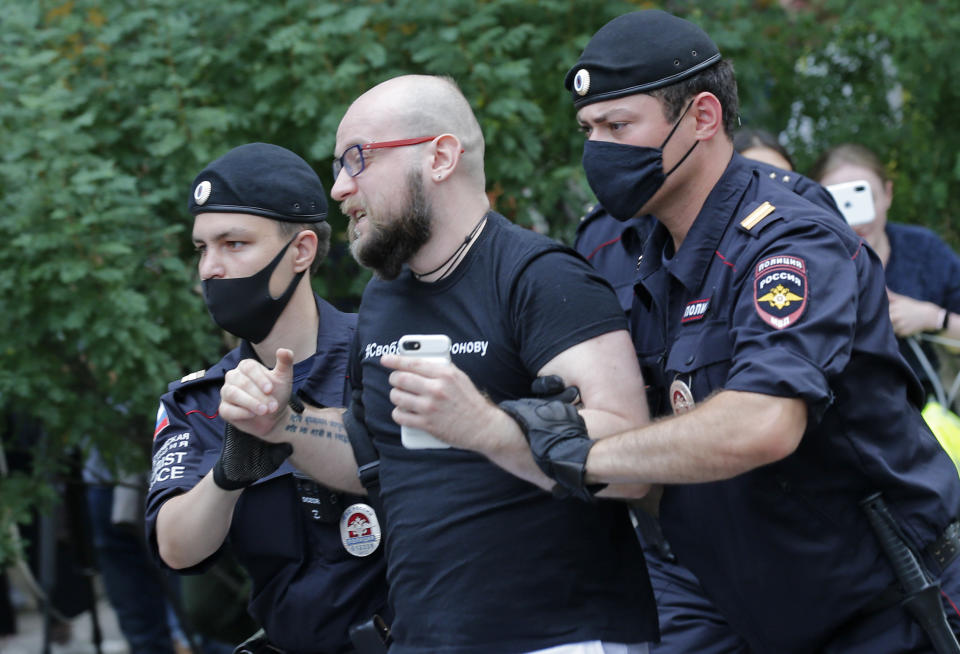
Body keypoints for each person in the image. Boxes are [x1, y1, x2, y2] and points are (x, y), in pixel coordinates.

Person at [487, 10, 960, 653]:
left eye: (618, 126)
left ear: (703, 117)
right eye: (588, 129)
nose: (597, 148)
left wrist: (582, 456)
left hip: (879, 606)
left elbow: (760, 423)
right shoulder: (612, 243)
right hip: (713, 592)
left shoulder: (789, 240)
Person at [218, 75, 658, 654]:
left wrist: (486, 427)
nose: (340, 188)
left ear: (441, 156)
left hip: (558, 638)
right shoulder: (385, 297)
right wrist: (282, 424)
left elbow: (632, 461)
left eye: (357, 159)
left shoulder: (541, 277)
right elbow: (375, 457)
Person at [145, 143, 389, 654]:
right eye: (201, 248)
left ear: (300, 250)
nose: (211, 267)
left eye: (234, 244)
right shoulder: (204, 399)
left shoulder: (379, 353)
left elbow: (419, 470)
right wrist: (227, 476)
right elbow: (177, 548)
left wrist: (293, 423)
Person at [810, 143, 960, 394]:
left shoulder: (924, 249)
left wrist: (932, 317)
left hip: (922, 411)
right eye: (842, 202)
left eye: (863, 197)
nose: (858, 219)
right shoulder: (807, 263)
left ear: (888, 194)